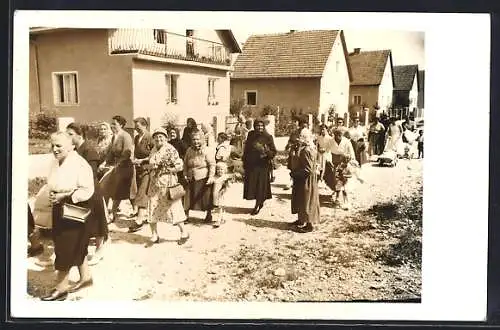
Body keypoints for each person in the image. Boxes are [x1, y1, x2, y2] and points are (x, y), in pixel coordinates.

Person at [41, 132, 94, 301]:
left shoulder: (79, 164)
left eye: (59, 146)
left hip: (75, 207)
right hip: (59, 206)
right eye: (53, 145)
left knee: (65, 246)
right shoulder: (56, 162)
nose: (54, 149)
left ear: (72, 146)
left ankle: (61, 288)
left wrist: (64, 196)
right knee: (69, 242)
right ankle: (86, 277)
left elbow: (87, 190)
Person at [66, 123, 109, 266]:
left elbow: (91, 173)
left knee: (97, 221)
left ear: (80, 135)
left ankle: (100, 250)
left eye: (70, 134)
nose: (68, 137)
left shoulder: (89, 150)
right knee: (80, 219)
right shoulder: (74, 150)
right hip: (78, 189)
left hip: (91, 190)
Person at [145, 128, 189, 246]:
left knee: (173, 207)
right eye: (156, 137)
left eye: (161, 137)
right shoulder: (154, 149)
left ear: (165, 138)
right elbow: (151, 162)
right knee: (152, 206)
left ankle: (184, 232)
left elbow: (179, 165)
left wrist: (170, 169)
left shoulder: (170, 149)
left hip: (167, 182)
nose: (158, 139)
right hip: (154, 183)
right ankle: (154, 235)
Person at [99, 115, 136, 223]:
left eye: (114, 124)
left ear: (121, 125)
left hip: (125, 167)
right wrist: (104, 163)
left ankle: (136, 212)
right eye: (112, 123)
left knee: (125, 192)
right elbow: (110, 153)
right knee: (115, 191)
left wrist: (117, 165)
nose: (112, 126)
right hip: (116, 167)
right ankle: (111, 213)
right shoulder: (115, 137)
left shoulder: (126, 136)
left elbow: (127, 153)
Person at [242, 119, 277, 215]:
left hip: (263, 166)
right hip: (251, 165)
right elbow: (246, 149)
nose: (260, 127)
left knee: (260, 185)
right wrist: (244, 162)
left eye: (261, 126)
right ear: (254, 126)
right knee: (253, 185)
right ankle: (259, 202)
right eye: (258, 125)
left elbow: (274, 152)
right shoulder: (251, 135)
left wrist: (266, 152)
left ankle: (258, 204)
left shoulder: (268, 137)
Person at [290, 128, 320, 233]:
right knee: (301, 199)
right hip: (302, 178)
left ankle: (309, 224)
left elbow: (308, 169)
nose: (298, 139)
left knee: (307, 200)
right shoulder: (306, 148)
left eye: (301, 137)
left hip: (306, 179)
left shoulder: (307, 150)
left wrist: (295, 174)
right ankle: (301, 220)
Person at [128, 118, 155, 233]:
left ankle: (139, 220)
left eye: (138, 126)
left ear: (145, 126)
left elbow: (154, 154)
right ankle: (144, 216)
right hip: (138, 169)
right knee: (139, 191)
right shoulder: (137, 137)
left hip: (148, 169)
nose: (136, 128)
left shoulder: (150, 138)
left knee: (142, 193)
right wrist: (134, 159)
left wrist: (142, 160)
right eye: (135, 126)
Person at [183, 130, 216, 223]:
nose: (195, 141)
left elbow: (212, 164)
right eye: (193, 139)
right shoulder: (189, 150)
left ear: (202, 139)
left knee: (205, 197)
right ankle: (186, 215)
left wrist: (211, 177)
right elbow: (185, 163)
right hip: (190, 176)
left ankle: (208, 215)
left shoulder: (207, 150)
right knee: (187, 196)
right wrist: (185, 174)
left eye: (197, 139)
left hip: (203, 176)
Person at [329, 128, 356, 210]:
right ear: (334, 134)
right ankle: (337, 198)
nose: (339, 136)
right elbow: (327, 151)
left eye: (340, 135)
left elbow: (351, 153)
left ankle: (343, 200)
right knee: (337, 180)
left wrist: (348, 158)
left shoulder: (346, 141)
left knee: (343, 181)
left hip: (344, 163)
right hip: (333, 162)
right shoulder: (331, 141)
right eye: (337, 134)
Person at [212, 132, 232, 228]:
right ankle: (223, 217)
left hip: (221, 165)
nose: (217, 139)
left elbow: (220, 158)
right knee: (221, 204)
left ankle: (219, 219)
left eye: (219, 138)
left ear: (221, 138)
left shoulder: (222, 148)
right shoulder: (224, 146)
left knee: (220, 202)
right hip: (222, 167)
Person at [283, 117, 307, 190]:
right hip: (295, 151)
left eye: (306, 124)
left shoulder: (308, 132)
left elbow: (309, 142)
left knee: (303, 168)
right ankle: (291, 180)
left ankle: (302, 183)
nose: (305, 125)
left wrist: (303, 143)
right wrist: (289, 145)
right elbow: (290, 141)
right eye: (303, 123)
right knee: (294, 167)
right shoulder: (295, 132)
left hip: (304, 152)